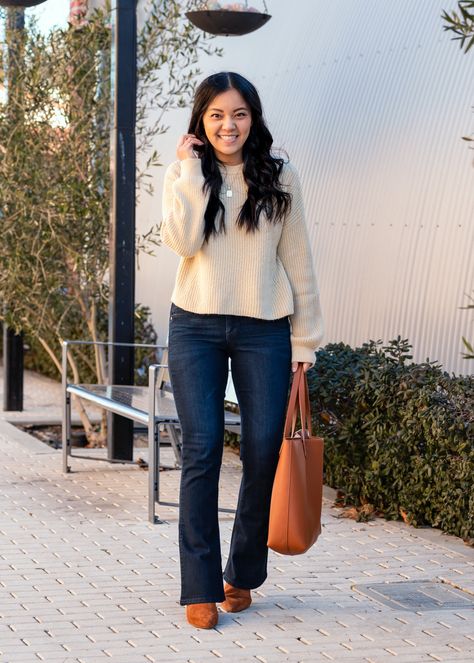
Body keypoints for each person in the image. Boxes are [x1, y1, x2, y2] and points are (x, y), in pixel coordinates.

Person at [161, 71, 324, 629]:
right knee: (202, 451)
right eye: (216, 115)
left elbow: (299, 262)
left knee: (262, 452)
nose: (228, 125)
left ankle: (241, 572)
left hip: (264, 329)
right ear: (202, 122)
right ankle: (199, 587)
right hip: (195, 326)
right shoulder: (186, 174)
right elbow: (183, 243)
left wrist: (306, 341)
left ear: (253, 118)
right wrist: (188, 171)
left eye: (239, 114)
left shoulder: (281, 176)